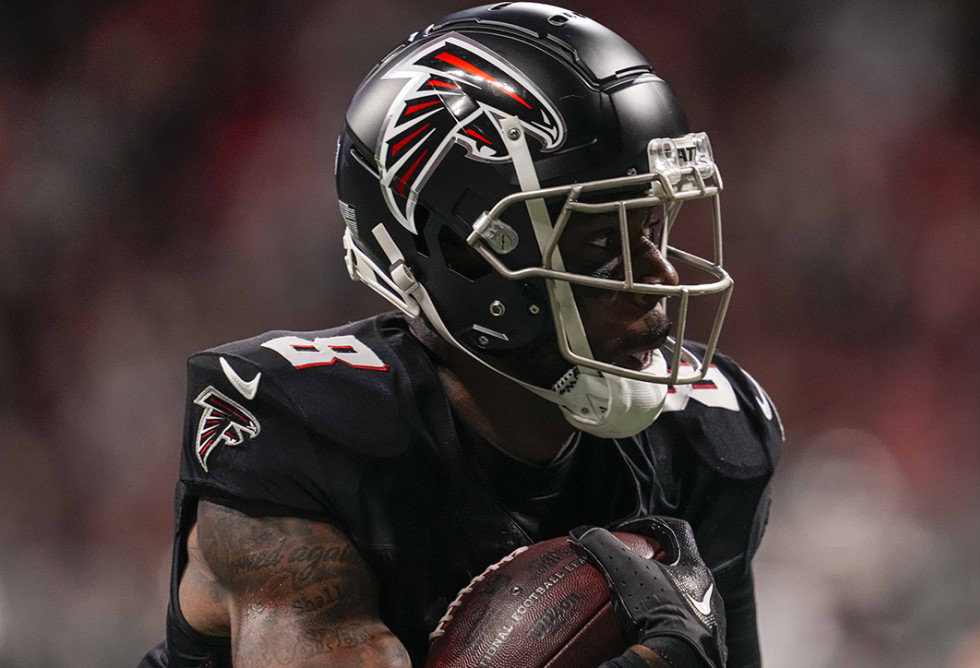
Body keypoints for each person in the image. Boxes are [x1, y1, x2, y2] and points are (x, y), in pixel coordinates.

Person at [139, 3, 782, 667]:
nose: (660, 280)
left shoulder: (707, 437)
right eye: (599, 244)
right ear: (461, 255)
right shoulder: (304, 431)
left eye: (651, 229)